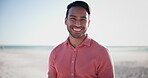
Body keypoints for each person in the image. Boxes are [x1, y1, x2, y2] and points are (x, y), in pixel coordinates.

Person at [48, 1, 114, 78]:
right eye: (73, 18)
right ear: (66, 21)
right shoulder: (55, 53)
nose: (78, 24)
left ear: (88, 23)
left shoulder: (102, 53)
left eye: (83, 19)